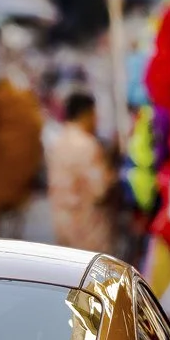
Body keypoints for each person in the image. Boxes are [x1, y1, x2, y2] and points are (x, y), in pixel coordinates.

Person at [0, 64, 45, 238]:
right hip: (25, 162)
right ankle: (16, 244)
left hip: (0, 162)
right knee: (19, 206)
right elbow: (37, 126)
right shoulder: (25, 98)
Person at [47, 91, 116, 253]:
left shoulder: (59, 143)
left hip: (62, 222)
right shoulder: (87, 145)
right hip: (87, 227)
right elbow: (100, 190)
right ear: (86, 114)